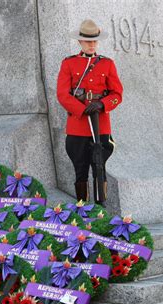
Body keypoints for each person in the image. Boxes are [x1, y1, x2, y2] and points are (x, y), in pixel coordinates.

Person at [56, 19, 123, 205]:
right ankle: (82, 209)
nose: (92, 44)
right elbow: (62, 94)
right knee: (80, 168)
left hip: (100, 125)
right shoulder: (69, 63)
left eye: (94, 41)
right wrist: (82, 109)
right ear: (80, 42)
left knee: (99, 167)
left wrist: (102, 104)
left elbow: (117, 93)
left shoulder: (107, 64)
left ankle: (101, 210)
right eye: (87, 41)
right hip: (78, 125)